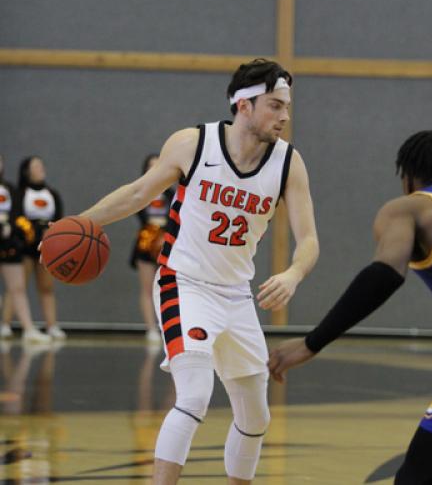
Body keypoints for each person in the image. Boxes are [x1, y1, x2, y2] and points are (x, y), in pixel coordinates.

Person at [69, 58, 319, 484]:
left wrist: (293, 274)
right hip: (183, 282)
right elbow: (135, 194)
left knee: (256, 416)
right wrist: (78, 224)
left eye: (286, 107)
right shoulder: (193, 143)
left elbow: (309, 240)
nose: (285, 116)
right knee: (195, 395)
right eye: (275, 106)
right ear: (244, 104)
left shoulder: (288, 163)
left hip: (236, 293)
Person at [269, 130, 432, 484]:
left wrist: (311, 342)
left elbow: (384, 274)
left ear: (407, 177)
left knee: (416, 479)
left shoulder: (412, 206)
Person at [2, 156, 66, 340]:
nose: (40, 169)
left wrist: (52, 235)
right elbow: (17, 218)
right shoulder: (20, 193)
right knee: (17, 286)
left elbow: (59, 220)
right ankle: (5, 324)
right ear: (26, 171)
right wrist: (30, 234)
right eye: (35, 166)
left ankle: (51, 326)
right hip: (26, 246)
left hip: (47, 246)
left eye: (41, 165)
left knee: (47, 286)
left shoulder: (52, 194)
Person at [130, 154, 175, 343]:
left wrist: (164, 234)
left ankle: (169, 328)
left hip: (167, 243)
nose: (154, 169)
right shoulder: (141, 194)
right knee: (147, 288)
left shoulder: (172, 194)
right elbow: (137, 213)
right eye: (151, 166)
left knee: (168, 288)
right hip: (146, 241)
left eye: (158, 165)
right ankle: (151, 329)